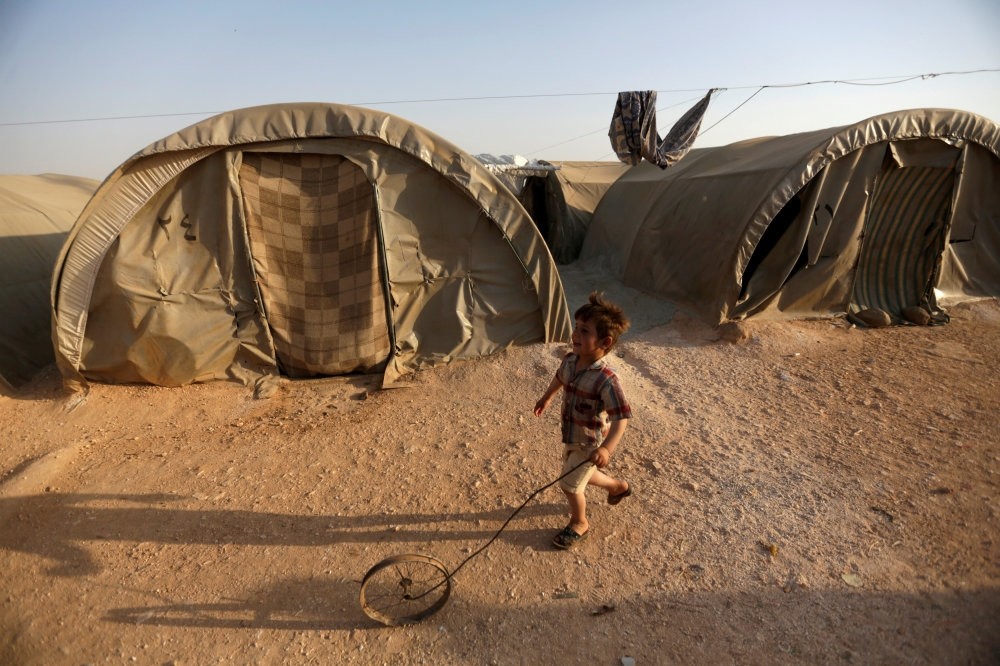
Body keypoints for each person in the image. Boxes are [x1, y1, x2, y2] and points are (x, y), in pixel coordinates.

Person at [533, 291, 632, 550]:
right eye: (576, 327)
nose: (575, 334)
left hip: (590, 442)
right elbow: (560, 377)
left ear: (605, 341)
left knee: (569, 484)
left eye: (584, 331)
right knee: (582, 474)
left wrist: (606, 449)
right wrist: (547, 397)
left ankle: (580, 522)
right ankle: (617, 486)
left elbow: (621, 417)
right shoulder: (570, 360)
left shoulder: (606, 380)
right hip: (571, 434)